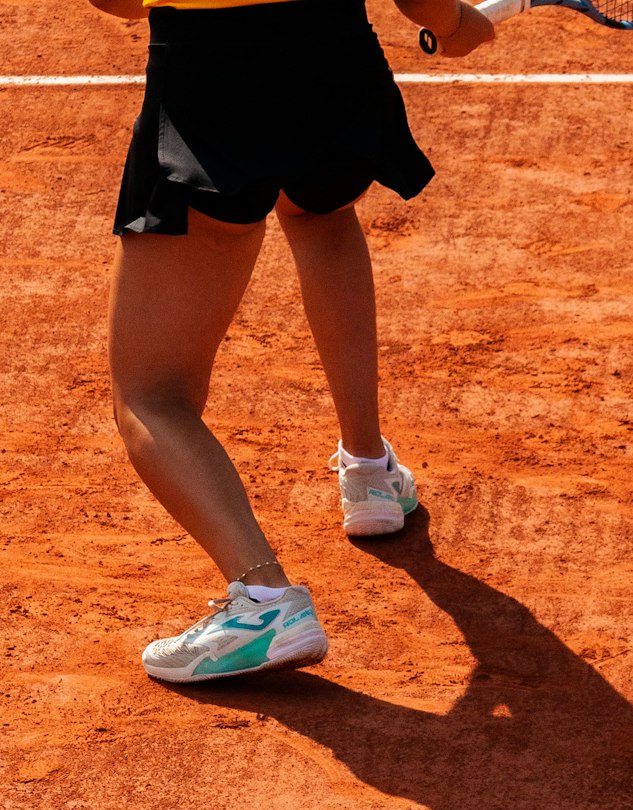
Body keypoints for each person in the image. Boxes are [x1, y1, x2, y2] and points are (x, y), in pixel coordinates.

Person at [89, 0, 493, 682]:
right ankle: (369, 472)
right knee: (322, 215)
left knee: (152, 395)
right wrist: (456, 27)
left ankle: (265, 601)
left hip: (210, 80)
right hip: (334, 63)